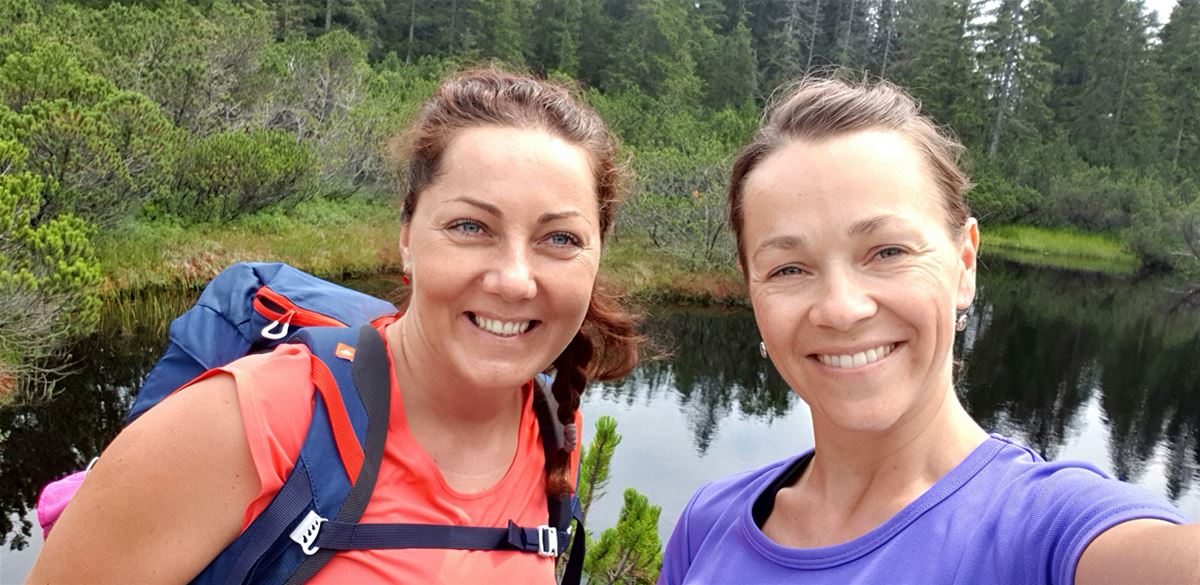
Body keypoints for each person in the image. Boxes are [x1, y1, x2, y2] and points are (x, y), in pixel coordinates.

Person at [28, 69, 640, 584]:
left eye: (559, 238)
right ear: (406, 237)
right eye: (470, 227)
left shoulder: (552, 428)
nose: (513, 278)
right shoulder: (255, 421)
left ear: (597, 257)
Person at [659, 77, 1198, 585]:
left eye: (888, 251)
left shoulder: (1041, 533)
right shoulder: (707, 527)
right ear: (753, 292)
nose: (841, 309)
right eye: (788, 269)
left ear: (964, 262)